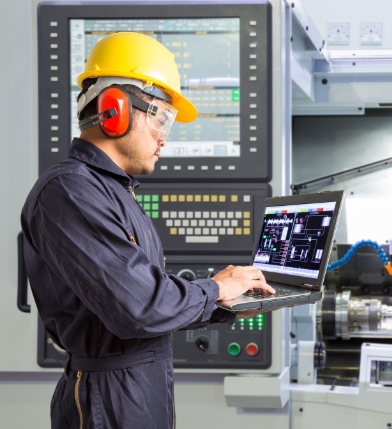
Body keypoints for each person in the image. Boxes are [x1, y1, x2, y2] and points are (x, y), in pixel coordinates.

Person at [21, 32, 274, 428]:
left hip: (138, 388)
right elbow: (138, 307)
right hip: (109, 399)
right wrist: (216, 289)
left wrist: (227, 301)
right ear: (114, 109)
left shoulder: (113, 191)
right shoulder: (69, 191)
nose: (163, 137)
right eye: (161, 118)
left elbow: (145, 296)